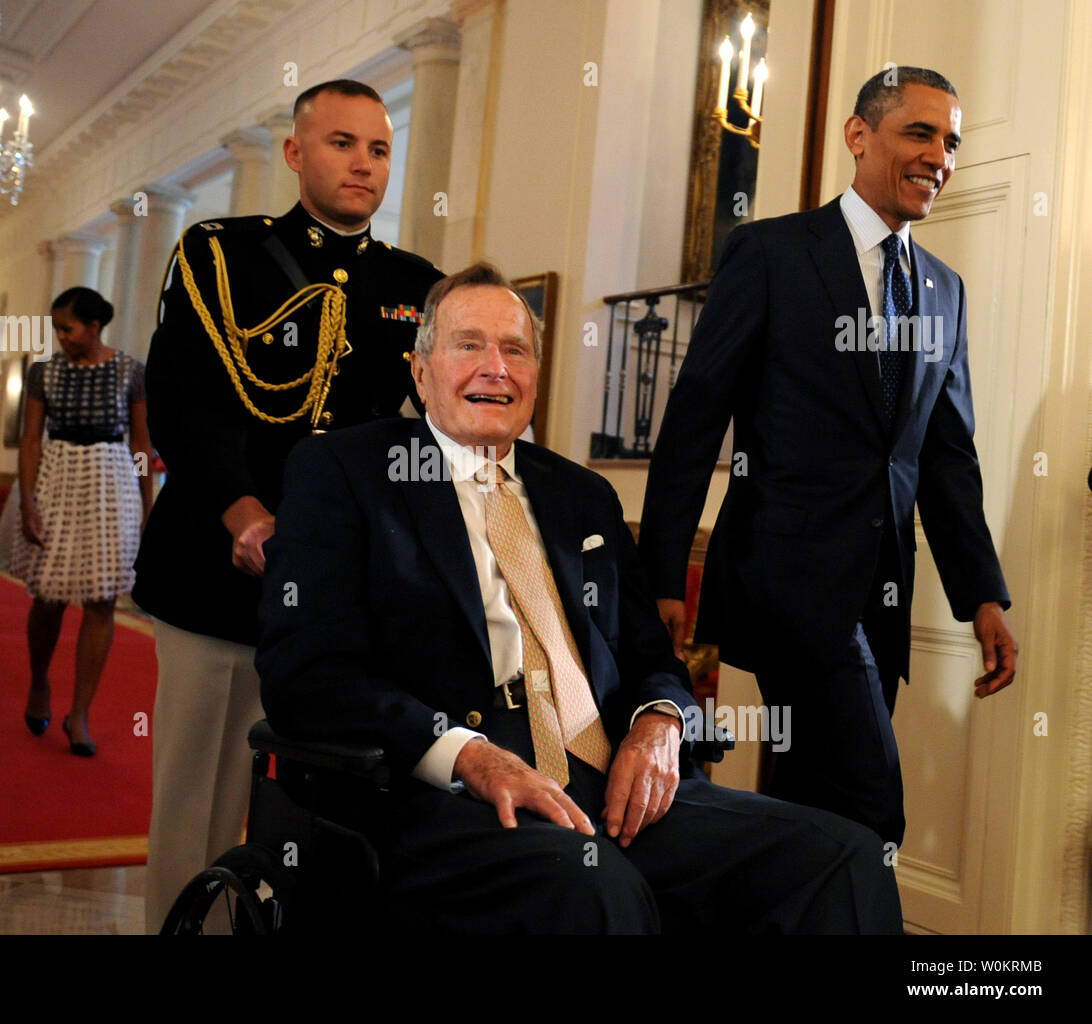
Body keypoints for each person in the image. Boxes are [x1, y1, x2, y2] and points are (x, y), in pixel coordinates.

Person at [254, 263, 903, 934]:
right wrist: (468, 754)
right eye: (468, 345)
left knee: (846, 858)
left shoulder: (581, 495)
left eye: (515, 350)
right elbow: (307, 673)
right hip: (447, 793)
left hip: (613, 785)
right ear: (420, 372)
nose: (495, 368)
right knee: (599, 892)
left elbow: (655, 659)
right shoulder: (343, 472)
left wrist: (659, 724)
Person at [638, 68, 1017, 847]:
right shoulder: (771, 252)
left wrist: (983, 596)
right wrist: (663, 572)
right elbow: (694, 418)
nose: (939, 158)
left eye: (951, 142)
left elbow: (946, 459)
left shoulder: (946, 291)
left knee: (821, 810)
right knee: (873, 803)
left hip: (881, 597)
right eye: (920, 133)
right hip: (785, 584)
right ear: (859, 136)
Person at [134, 77, 443, 932]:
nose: (364, 164)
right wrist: (242, 514)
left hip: (341, 595)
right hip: (215, 567)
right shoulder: (217, 252)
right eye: (343, 143)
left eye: (380, 149)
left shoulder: (416, 285)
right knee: (197, 794)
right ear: (297, 152)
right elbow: (185, 401)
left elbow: (424, 432)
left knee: (314, 802)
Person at [13, 287, 152, 756]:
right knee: (48, 597)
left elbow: (140, 445)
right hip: (56, 478)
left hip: (111, 483)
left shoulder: (131, 371)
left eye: (66, 327)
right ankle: (38, 684)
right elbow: (30, 440)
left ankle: (81, 713)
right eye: (56, 328)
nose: (60, 336)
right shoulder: (42, 372)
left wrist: (146, 506)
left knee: (101, 600)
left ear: (94, 327)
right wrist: (27, 501)